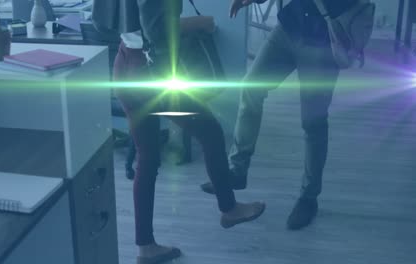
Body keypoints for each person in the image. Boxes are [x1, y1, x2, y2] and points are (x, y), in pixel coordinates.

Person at [93, 1, 266, 263]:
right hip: (150, 74)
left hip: (125, 63)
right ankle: (229, 209)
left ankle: (145, 246)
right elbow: (158, 31)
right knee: (210, 132)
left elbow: (101, 20)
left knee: (147, 157)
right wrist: (199, 22)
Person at [200, 0, 357, 230]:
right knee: (251, 88)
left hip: (323, 37)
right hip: (290, 26)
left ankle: (308, 198)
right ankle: (237, 169)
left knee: (313, 122)